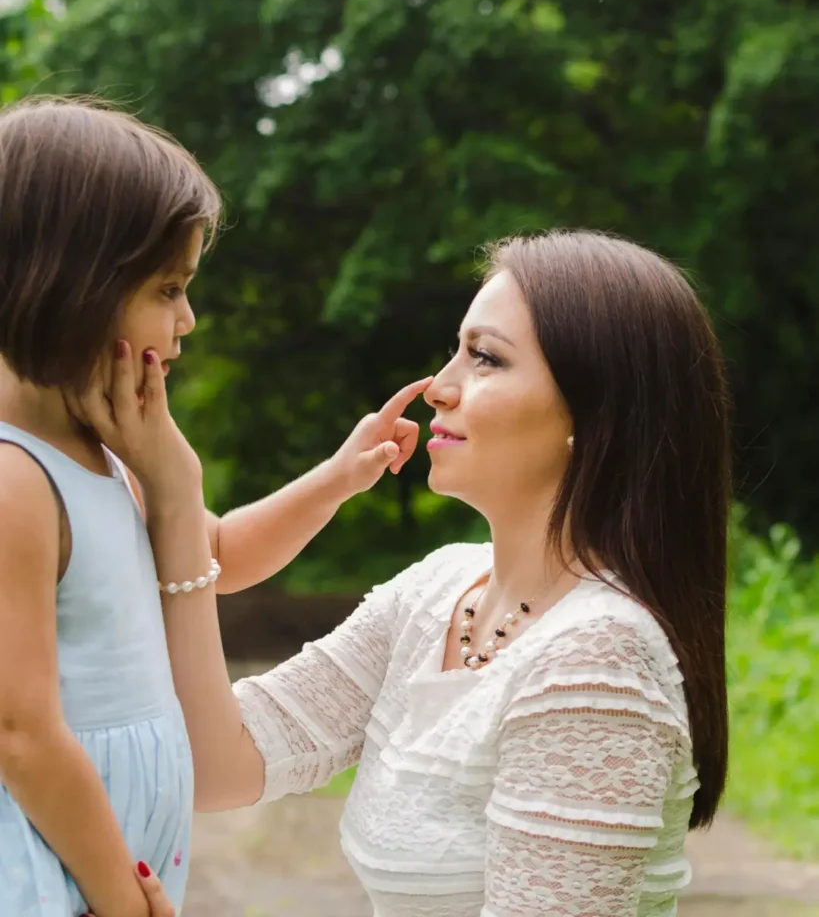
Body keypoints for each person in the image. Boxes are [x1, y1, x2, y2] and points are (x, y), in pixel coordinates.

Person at [93, 230, 732, 917]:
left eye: (485, 359)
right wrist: (173, 496)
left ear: (594, 414)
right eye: (455, 351)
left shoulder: (596, 661)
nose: (439, 389)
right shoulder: (436, 592)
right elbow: (217, 764)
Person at [0, 97, 426, 917]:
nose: (187, 319)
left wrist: (337, 476)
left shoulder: (114, 450)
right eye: (168, 289)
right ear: (67, 283)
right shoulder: (18, 480)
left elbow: (218, 557)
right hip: (51, 868)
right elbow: (20, 733)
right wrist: (117, 895)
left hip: (116, 872)